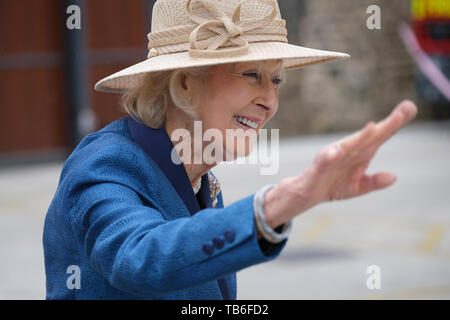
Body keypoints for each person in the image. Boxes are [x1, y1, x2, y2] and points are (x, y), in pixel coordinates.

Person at [43, 0, 418, 299]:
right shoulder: (104, 166)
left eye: (277, 80)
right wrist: (285, 201)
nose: (270, 100)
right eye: (252, 75)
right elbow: (137, 259)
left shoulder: (201, 178)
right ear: (186, 83)